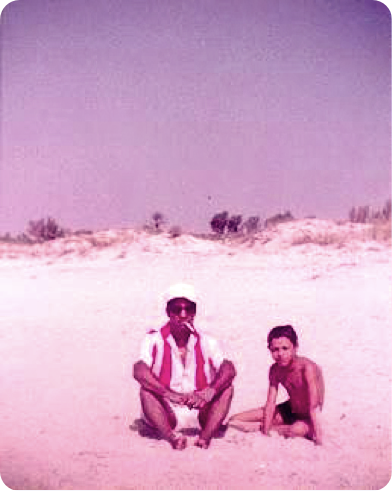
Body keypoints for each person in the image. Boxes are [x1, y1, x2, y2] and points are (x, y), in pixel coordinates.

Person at [133, 283, 236, 450]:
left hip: (200, 408)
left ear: (194, 312)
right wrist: (168, 393)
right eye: (177, 309)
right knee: (145, 391)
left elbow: (229, 368)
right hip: (166, 411)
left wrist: (210, 390)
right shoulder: (153, 340)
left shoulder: (207, 341)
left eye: (188, 309)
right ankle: (172, 438)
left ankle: (205, 437)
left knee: (227, 389)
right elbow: (139, 370)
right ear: (168, 312)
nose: (183, 314)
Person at [227, 325, 324, 445]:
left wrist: (318, 439)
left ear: (295, 347)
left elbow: (314, 407)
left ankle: (257, 427)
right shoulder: (275, 369)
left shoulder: (306, 368)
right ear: (269, 350)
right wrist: (266, 432)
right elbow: (270, 403)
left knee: (296, 430)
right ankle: (266, 427)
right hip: (289, 410)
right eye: (275, 350)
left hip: (307, 416)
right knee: (235, 419)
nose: (280, 354)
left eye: (285, 348)